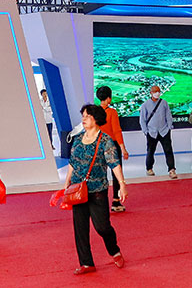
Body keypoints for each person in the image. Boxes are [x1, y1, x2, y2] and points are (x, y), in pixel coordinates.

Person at [64, 104, 127, 275]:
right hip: (77, 189)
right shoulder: (78, 139)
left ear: (96, 119)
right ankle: (86, 263)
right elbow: (72, 162)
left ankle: (114, 250)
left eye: (87, 116)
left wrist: (122, 185)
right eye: (83, 116)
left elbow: (114, 164)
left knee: (102, 227)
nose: (83, 119)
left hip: (97, 190)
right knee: (80, 228)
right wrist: (67, 182)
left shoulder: (105, 141)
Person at [95, 86, 128, 212]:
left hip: (98, 145)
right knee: (116, 173)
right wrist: (123, 148)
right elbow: (117, 131)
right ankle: (116, 201)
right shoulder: (112, 112)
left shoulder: (94, 113)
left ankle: (99, 202)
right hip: (112, 146)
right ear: (109, 98)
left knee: (99, 174)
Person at [138, 85, 175, 179]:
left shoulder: (164, 103)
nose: (157, 93)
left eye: (158, 91)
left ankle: (171, 170)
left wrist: (169, 127)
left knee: (168, 151)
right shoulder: (145, 105)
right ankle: (149, 168)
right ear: (151, 93)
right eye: (155, 91)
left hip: (164, 131)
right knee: (150, 151)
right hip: (151, 132)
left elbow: (168, 116)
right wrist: (145, 131)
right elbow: (142, 120)